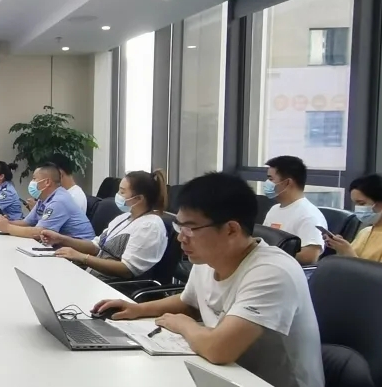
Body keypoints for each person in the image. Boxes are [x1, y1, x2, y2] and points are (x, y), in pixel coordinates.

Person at [93, 172, 323, 387]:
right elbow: (189, 302)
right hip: (221, 374)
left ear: (231, 229)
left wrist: (183, 325)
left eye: (190, 229)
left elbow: (218, 349)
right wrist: (137, 309)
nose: (181, 238)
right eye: (179, 227)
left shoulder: (273, 272)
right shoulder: (208, 258)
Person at [41, 169, 169, 280]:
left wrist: (82, 257)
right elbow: (96, 246)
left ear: (139, 198)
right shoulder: (124, 218)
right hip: (95, 277)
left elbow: (127, 270)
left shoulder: (150, 226)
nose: (117, 195)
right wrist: (61, 239)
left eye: (122, 192)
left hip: (118, 288)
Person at [0, 163, 94, 240]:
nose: (32, 182)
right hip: (60, 247)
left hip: (79, 251)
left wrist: (8, 227)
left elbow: (40, 232)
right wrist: (5, 222)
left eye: (34, 179)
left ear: (47, 182)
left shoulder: (59, 200)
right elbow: (27, 223)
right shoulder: (43, 198)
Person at [262, 156, 328, 265]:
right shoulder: (274, 209)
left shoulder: (309, 215)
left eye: (271, 179)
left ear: (288, 182)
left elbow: (310, 256)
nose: (267, 183)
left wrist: (273, 256)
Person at [323, 173, 382, 262]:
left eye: (361, 203)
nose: (357, 208)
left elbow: (373, 271)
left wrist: (348, 253)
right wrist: (341, 249)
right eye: (355, 204)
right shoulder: (364, 232)